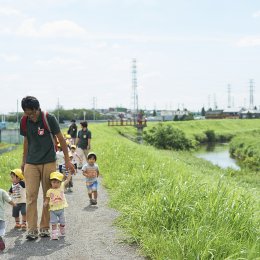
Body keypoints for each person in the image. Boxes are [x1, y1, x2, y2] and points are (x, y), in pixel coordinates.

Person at [20, 96, 75, 241]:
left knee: (47, 195)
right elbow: (26, 141)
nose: (30, 116)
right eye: (27, 113)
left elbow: (61, 140)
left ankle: (44, 228)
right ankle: (32, 229)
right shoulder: (24, 121)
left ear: (38, 109)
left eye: (32, 113)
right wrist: (23, 160)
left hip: (48, 161)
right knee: (31, 196)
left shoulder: (48, 118)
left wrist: (68, 160)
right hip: (31, 162)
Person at [44, 171, 71, 240]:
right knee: (54, 223)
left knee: (63, 221)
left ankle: (62, 227)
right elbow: (47, 198)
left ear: (60, 182)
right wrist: (46, 203)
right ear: (51, 182)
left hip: (61, 209)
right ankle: (54, 234)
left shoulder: (61, 186)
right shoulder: (49, 191)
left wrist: (69, 173)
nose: (56, 184)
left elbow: (67, 180)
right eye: (54, 182)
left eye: (58, 182)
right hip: (53, 210)